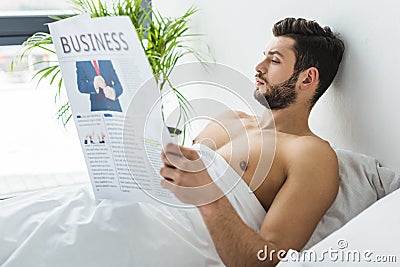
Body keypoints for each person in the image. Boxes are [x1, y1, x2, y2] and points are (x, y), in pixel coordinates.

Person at [159, 17, 345, 266]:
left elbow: (267, 260)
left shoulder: (310, 153)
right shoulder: (229, 119)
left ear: (307, 79)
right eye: (264, 56)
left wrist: (208, 194)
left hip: (167, 239)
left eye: (275, 60)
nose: (259, 67)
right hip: (140, 207)